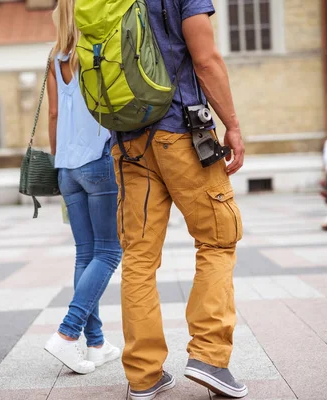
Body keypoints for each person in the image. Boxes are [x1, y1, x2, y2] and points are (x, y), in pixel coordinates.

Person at [109, 2, 248, 399]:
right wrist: (233, 125)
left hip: (128, 141)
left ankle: (143, 376)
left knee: (138, 256)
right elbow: (205, 60)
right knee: (218, 239)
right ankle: (209, 357)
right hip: (183, 133)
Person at [43, 0, 122, 375]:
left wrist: (60, 161)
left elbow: (54, 114)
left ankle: (96, 344)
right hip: (97, 160)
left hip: (67, 168)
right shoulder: (95, 48)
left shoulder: (54, 58)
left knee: (84, 254)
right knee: (108, 253)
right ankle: (67, 332)